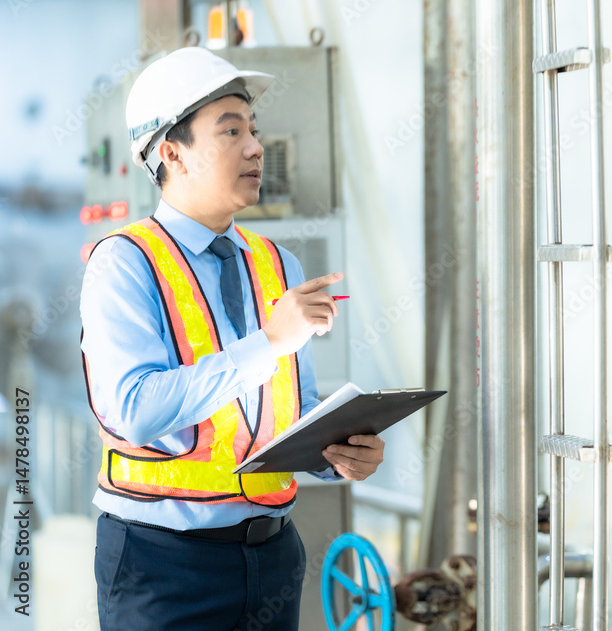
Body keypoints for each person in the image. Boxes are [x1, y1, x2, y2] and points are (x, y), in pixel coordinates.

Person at [80, 47, 385, 630]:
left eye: (253, 129)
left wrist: (338, 453)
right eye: (229, 131)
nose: (254, 147)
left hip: (272, 556)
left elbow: (290, 410)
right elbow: (135, 411)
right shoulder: (123, 265)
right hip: (161, 566)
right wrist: (270, 342)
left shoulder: (279, 266)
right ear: (172, 154)